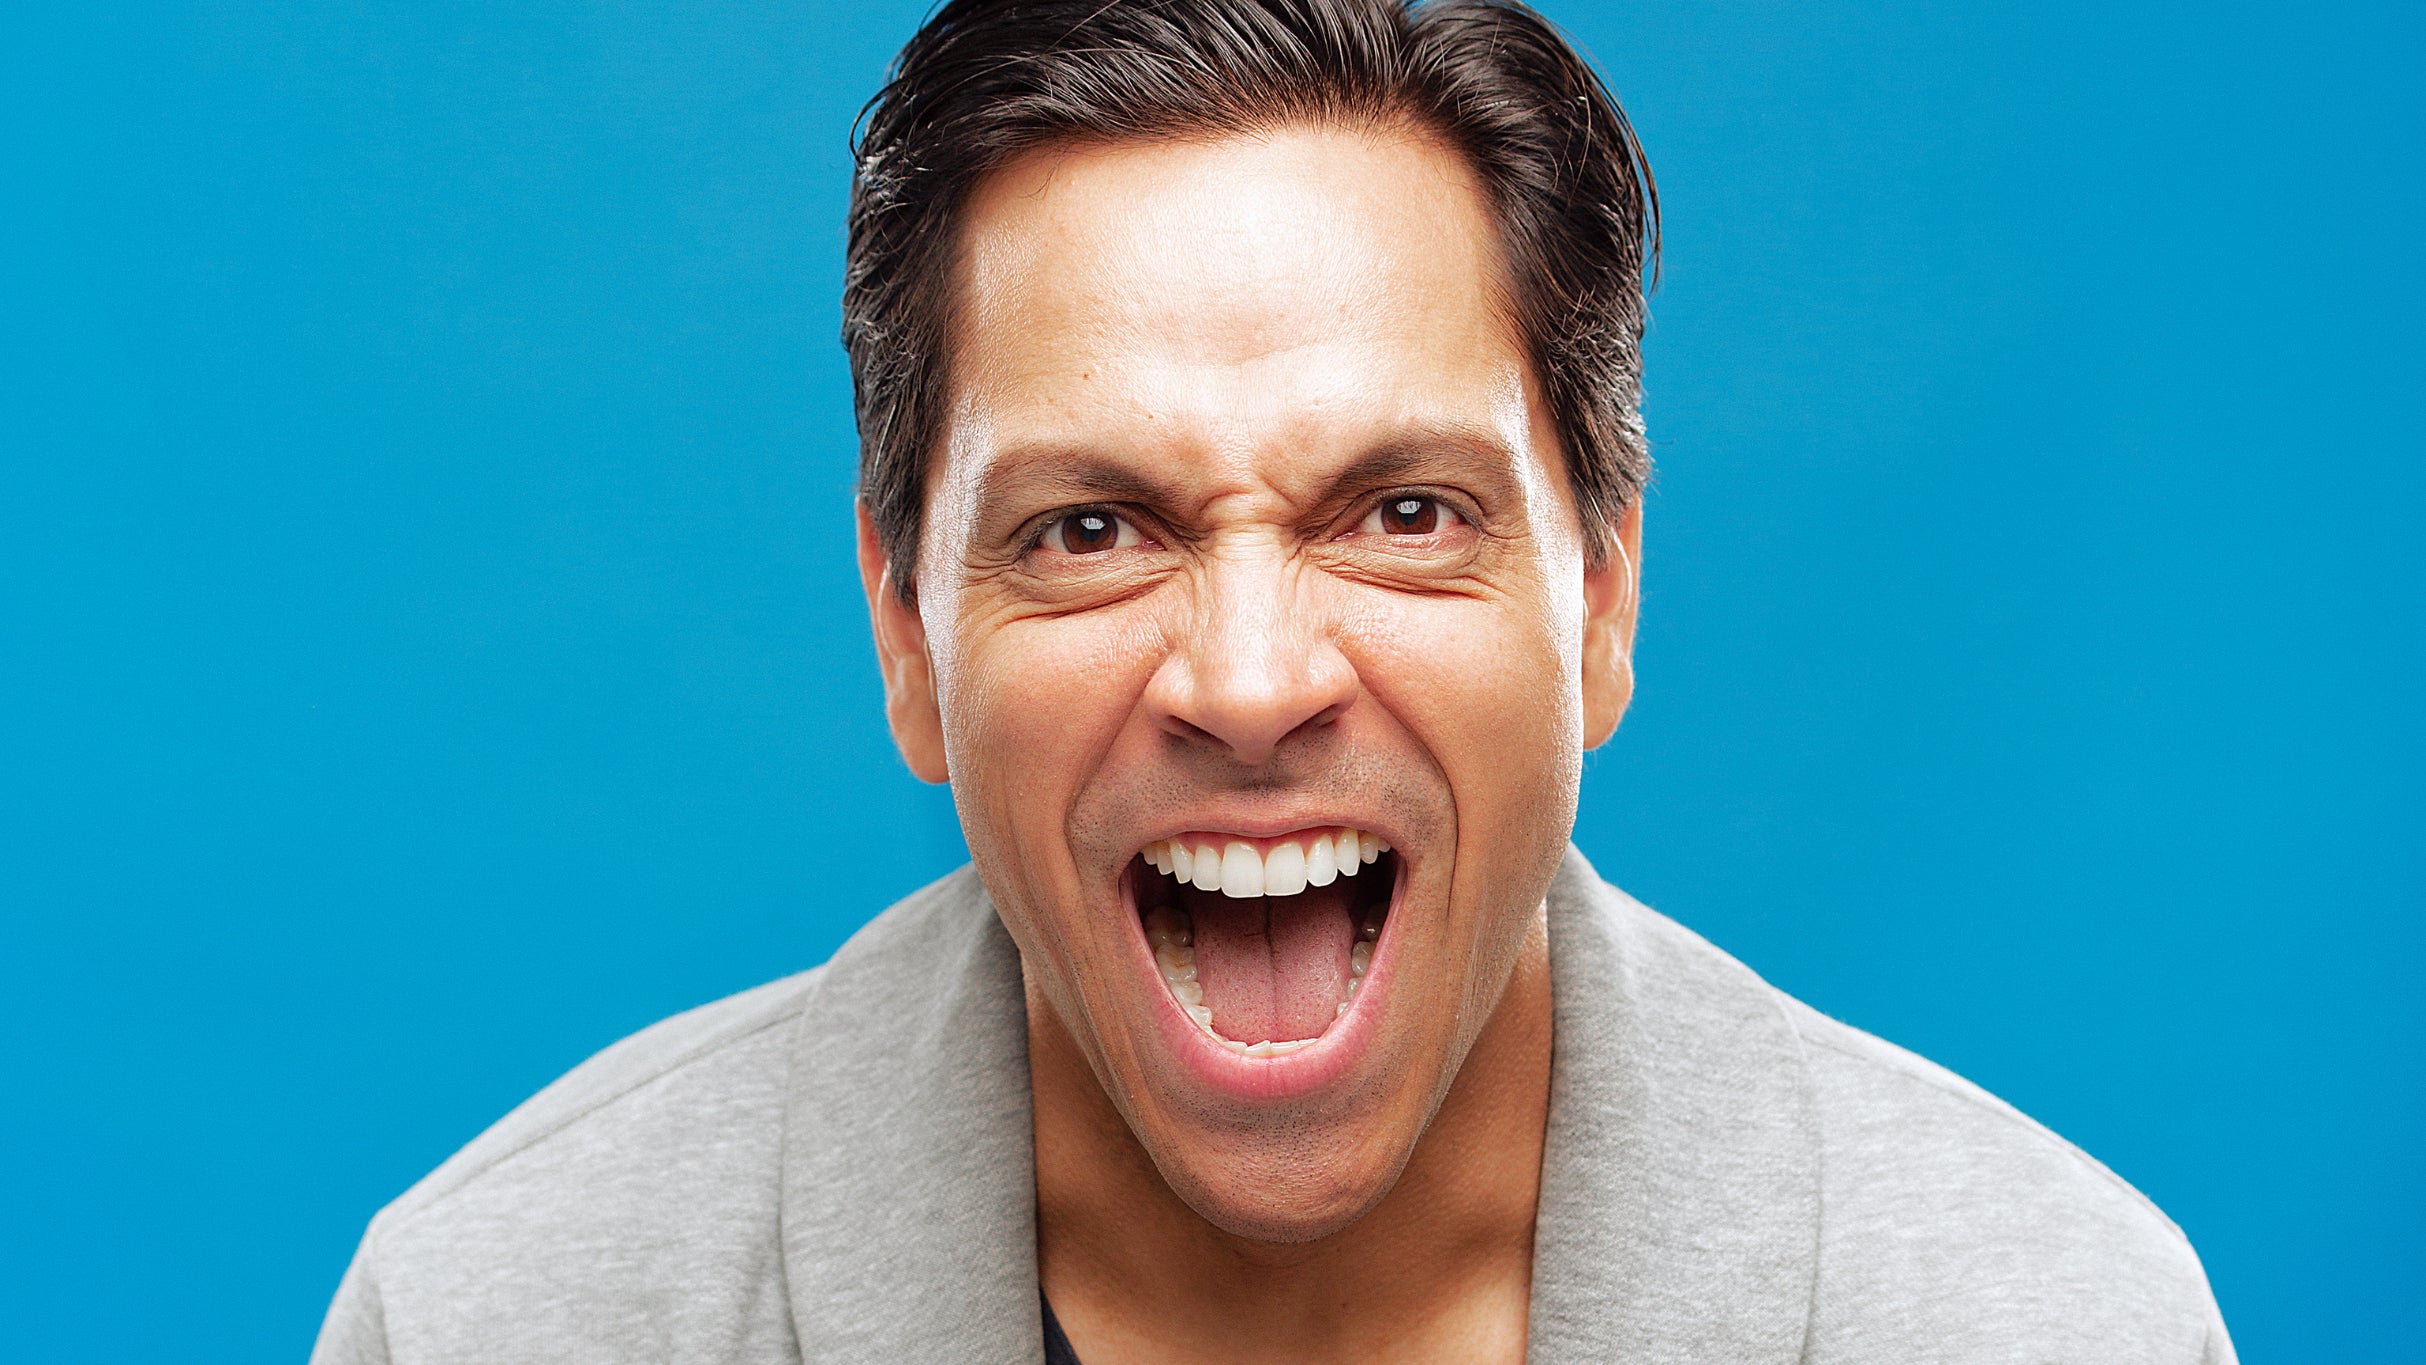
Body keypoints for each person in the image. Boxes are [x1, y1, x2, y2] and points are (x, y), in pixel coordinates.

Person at [310, 1, 2236, 1360]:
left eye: (1401, 512)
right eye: (1088, 528)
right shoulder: (492, 1313)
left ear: (1600, 595)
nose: (1246, 680)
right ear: (904, 631)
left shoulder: (2059, 1320)